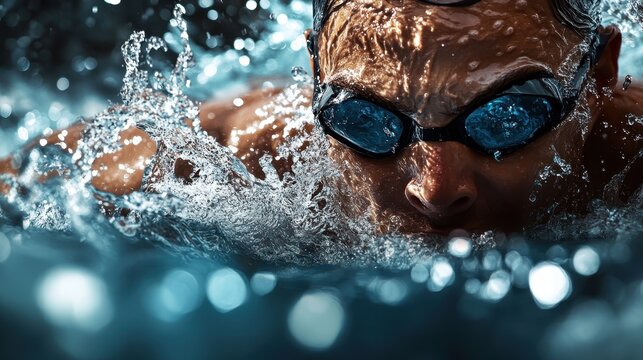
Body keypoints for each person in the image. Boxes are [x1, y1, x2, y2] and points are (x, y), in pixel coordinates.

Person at [1, 0, 641, 236]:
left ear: (600, 75)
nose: (436, 190)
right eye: (368, 121)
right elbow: (26, 173)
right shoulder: (246, 159)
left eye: (506, 118)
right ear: (316, 85)